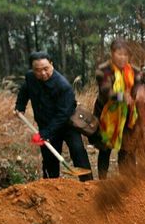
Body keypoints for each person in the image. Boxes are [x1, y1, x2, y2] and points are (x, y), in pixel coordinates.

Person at [14, 51, 92, 181]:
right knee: (49, 159)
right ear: (32, 69)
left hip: (67, 125)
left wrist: (45, 133)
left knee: (78, 151)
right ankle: (50, 185)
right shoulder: (30, 78)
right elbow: (25, 90)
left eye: (46, 68)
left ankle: (88, 184)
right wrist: (20, 106)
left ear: (52, 64)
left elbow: (64, 114)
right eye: (38, 70)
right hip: (45, 123)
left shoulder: (63, 86)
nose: (43, 73)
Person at [93, 38, 142, 179]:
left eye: (125, 55)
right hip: (107, 116)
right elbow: (106, 92)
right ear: (112, 53)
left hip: (128, 115)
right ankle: (102, 180)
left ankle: (126, 180)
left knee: (127, 149)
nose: (122, 58)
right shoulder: (103, 70)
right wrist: (122, 96)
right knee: (105, 149)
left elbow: (138, 88)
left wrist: (139, 93)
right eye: (119, 54)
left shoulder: (135, 71)